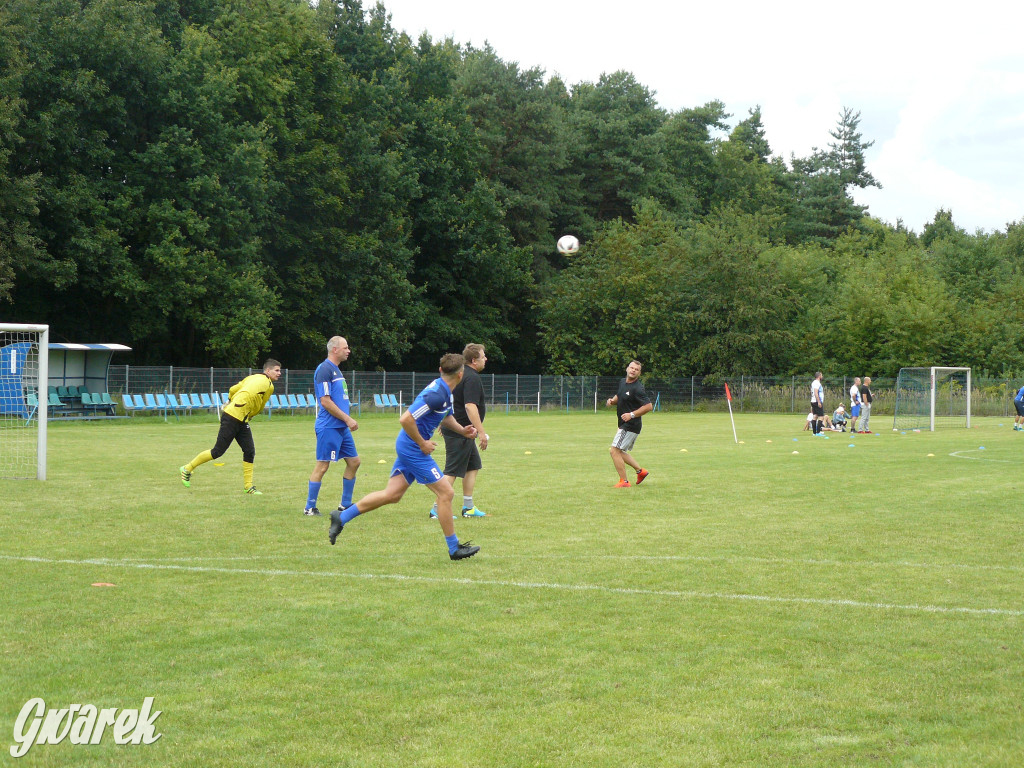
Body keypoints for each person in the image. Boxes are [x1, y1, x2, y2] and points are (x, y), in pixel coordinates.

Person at [329, 354, 480, 561]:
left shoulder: (445, 391)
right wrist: (422, 443)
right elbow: (406, 419)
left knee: (392, 494)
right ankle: (454, 548)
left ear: (440, 370)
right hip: (412, 449)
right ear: (461, 374)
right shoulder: (436, 394)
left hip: (410, 446)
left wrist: (463, 431)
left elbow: (445, 416)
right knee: (446, 493)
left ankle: (342, 517)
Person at [179, 359, 282, 494]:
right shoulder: (268, 385)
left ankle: (248, 487)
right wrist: (251, 413)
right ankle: (187, 468)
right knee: (217, 452)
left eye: (280, 370)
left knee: (249, 451)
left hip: (240, 418)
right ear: (267, 371)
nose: (279, 373)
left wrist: (229, 400)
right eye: (277, 370)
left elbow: (233, 389)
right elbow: (260, 406)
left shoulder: (252, 377)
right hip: (233, 417)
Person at [429, 343, 489, 519]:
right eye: (483, 356)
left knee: (473, 466)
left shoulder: (460, 375)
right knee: (452, 471)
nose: (485, 359)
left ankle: (468, 507)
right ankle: (437, 509)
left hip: (461, 430)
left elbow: (450, 399)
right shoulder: (472, 378)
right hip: (462, 431)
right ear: (474, 360)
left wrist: (444, 422)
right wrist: (482, 432)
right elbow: (470, 406)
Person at [304, 336, 360, 517]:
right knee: (322, 466)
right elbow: (325, 402)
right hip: (329, 426)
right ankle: (310, 508)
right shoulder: (324, 369)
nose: (348, 350)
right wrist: (348, 419)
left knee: (354, 462)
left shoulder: (336, 370)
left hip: (340, 427)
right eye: (345, 347)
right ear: (335, 349)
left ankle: (345, 505)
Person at [606, 360, 653, 487]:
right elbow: (619, 395)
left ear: (639, 373)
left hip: (631, 425)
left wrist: (631, 414)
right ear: (627, 369)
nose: (633, 370)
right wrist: (612, 401)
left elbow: (648, 406)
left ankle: (624, 481)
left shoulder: (638, 388)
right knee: (619, 451)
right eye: (631, 368)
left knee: (614, 451)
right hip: (623, 424)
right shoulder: (622, 382)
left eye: (636, 369)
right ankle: (640, 471)